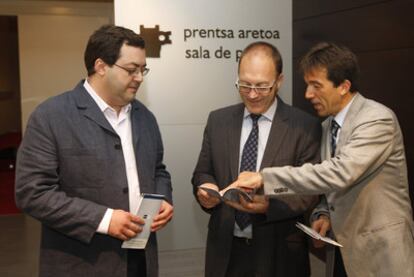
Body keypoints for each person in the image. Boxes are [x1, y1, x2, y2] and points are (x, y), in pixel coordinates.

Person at [234, 42, 414, 277]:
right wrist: (323, 213)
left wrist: (264, 177)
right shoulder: (327, 126)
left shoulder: (377, 120)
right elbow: (333, 188)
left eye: (316, 86)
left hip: (380, 253)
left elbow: (339, 172)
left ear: (343, 86)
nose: (308, 94)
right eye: (307, 85)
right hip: (342, 251)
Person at [15, 25, 173, 277]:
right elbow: (32, 193)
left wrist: (163, 198)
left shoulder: (145, 117)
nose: (140, 77)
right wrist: (105, 219)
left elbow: (158, 170)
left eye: (143, 69)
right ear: (101, 66)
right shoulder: (51, 116)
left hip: (140, 260)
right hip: (81, 263)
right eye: (132, 69)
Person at [192, 41, 322, 277]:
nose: (252, 94)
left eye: (262, 87)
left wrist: (269, 205)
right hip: (225, 251)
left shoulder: (304, 126)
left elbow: (310, 191)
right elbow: (203, 171)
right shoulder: (218, 121)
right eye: (244, 85)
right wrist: (205, 188)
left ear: (279, 81)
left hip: (280, 252)